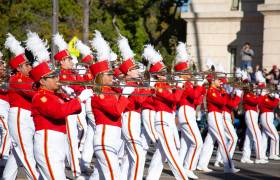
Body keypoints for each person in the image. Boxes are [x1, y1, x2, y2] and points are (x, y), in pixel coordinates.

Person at [143, 45, 189, 180]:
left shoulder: (166, 85)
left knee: (162, 152)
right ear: (157, 75)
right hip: (162, 119)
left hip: (167, 118)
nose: (166, 74)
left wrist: (178, 85)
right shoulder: (158, 87)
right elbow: (174, 98)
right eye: (163, 73)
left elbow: (174, 102)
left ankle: (151, 177)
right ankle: (182, 177)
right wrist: (179, 86)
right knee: (171, 151)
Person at [3, 33, 40, 180]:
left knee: (18, 153)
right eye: (27, 65)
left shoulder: (28, 77)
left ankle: (6, 178)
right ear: (19, 68)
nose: (30, 67)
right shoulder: (17, 78)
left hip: (27, 117)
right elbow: (33, 92)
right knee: (26, 152)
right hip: (19, 116)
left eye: (30, 64)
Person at [197, 76, 239, 173]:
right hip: (214, 115)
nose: (220, 82)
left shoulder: (216, 90)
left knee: (210, 141)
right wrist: (225, 93)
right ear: (213, 81)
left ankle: (201, 164)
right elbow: (222, 102)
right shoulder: (212, 91)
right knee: (223, 141)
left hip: (217, 115)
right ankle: (228, 167)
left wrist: (225, 93)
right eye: (218, 80)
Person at [0, 53, 11, 160]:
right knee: (7, 130)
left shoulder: (6, 77)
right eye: (0, 64)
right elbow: (4, 89)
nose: (3, 66)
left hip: (6, 106)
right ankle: (3, 156)